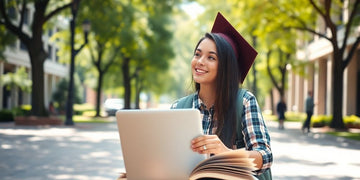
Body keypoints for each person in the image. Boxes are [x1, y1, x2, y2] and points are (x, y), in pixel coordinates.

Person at [171, 12, 272, 179]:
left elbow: (265, 156)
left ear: (226, 67)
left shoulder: (244, 102)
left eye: (211, 57)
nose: (200, 61)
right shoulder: (178, 108)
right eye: (197, 54)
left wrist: (226, 154)